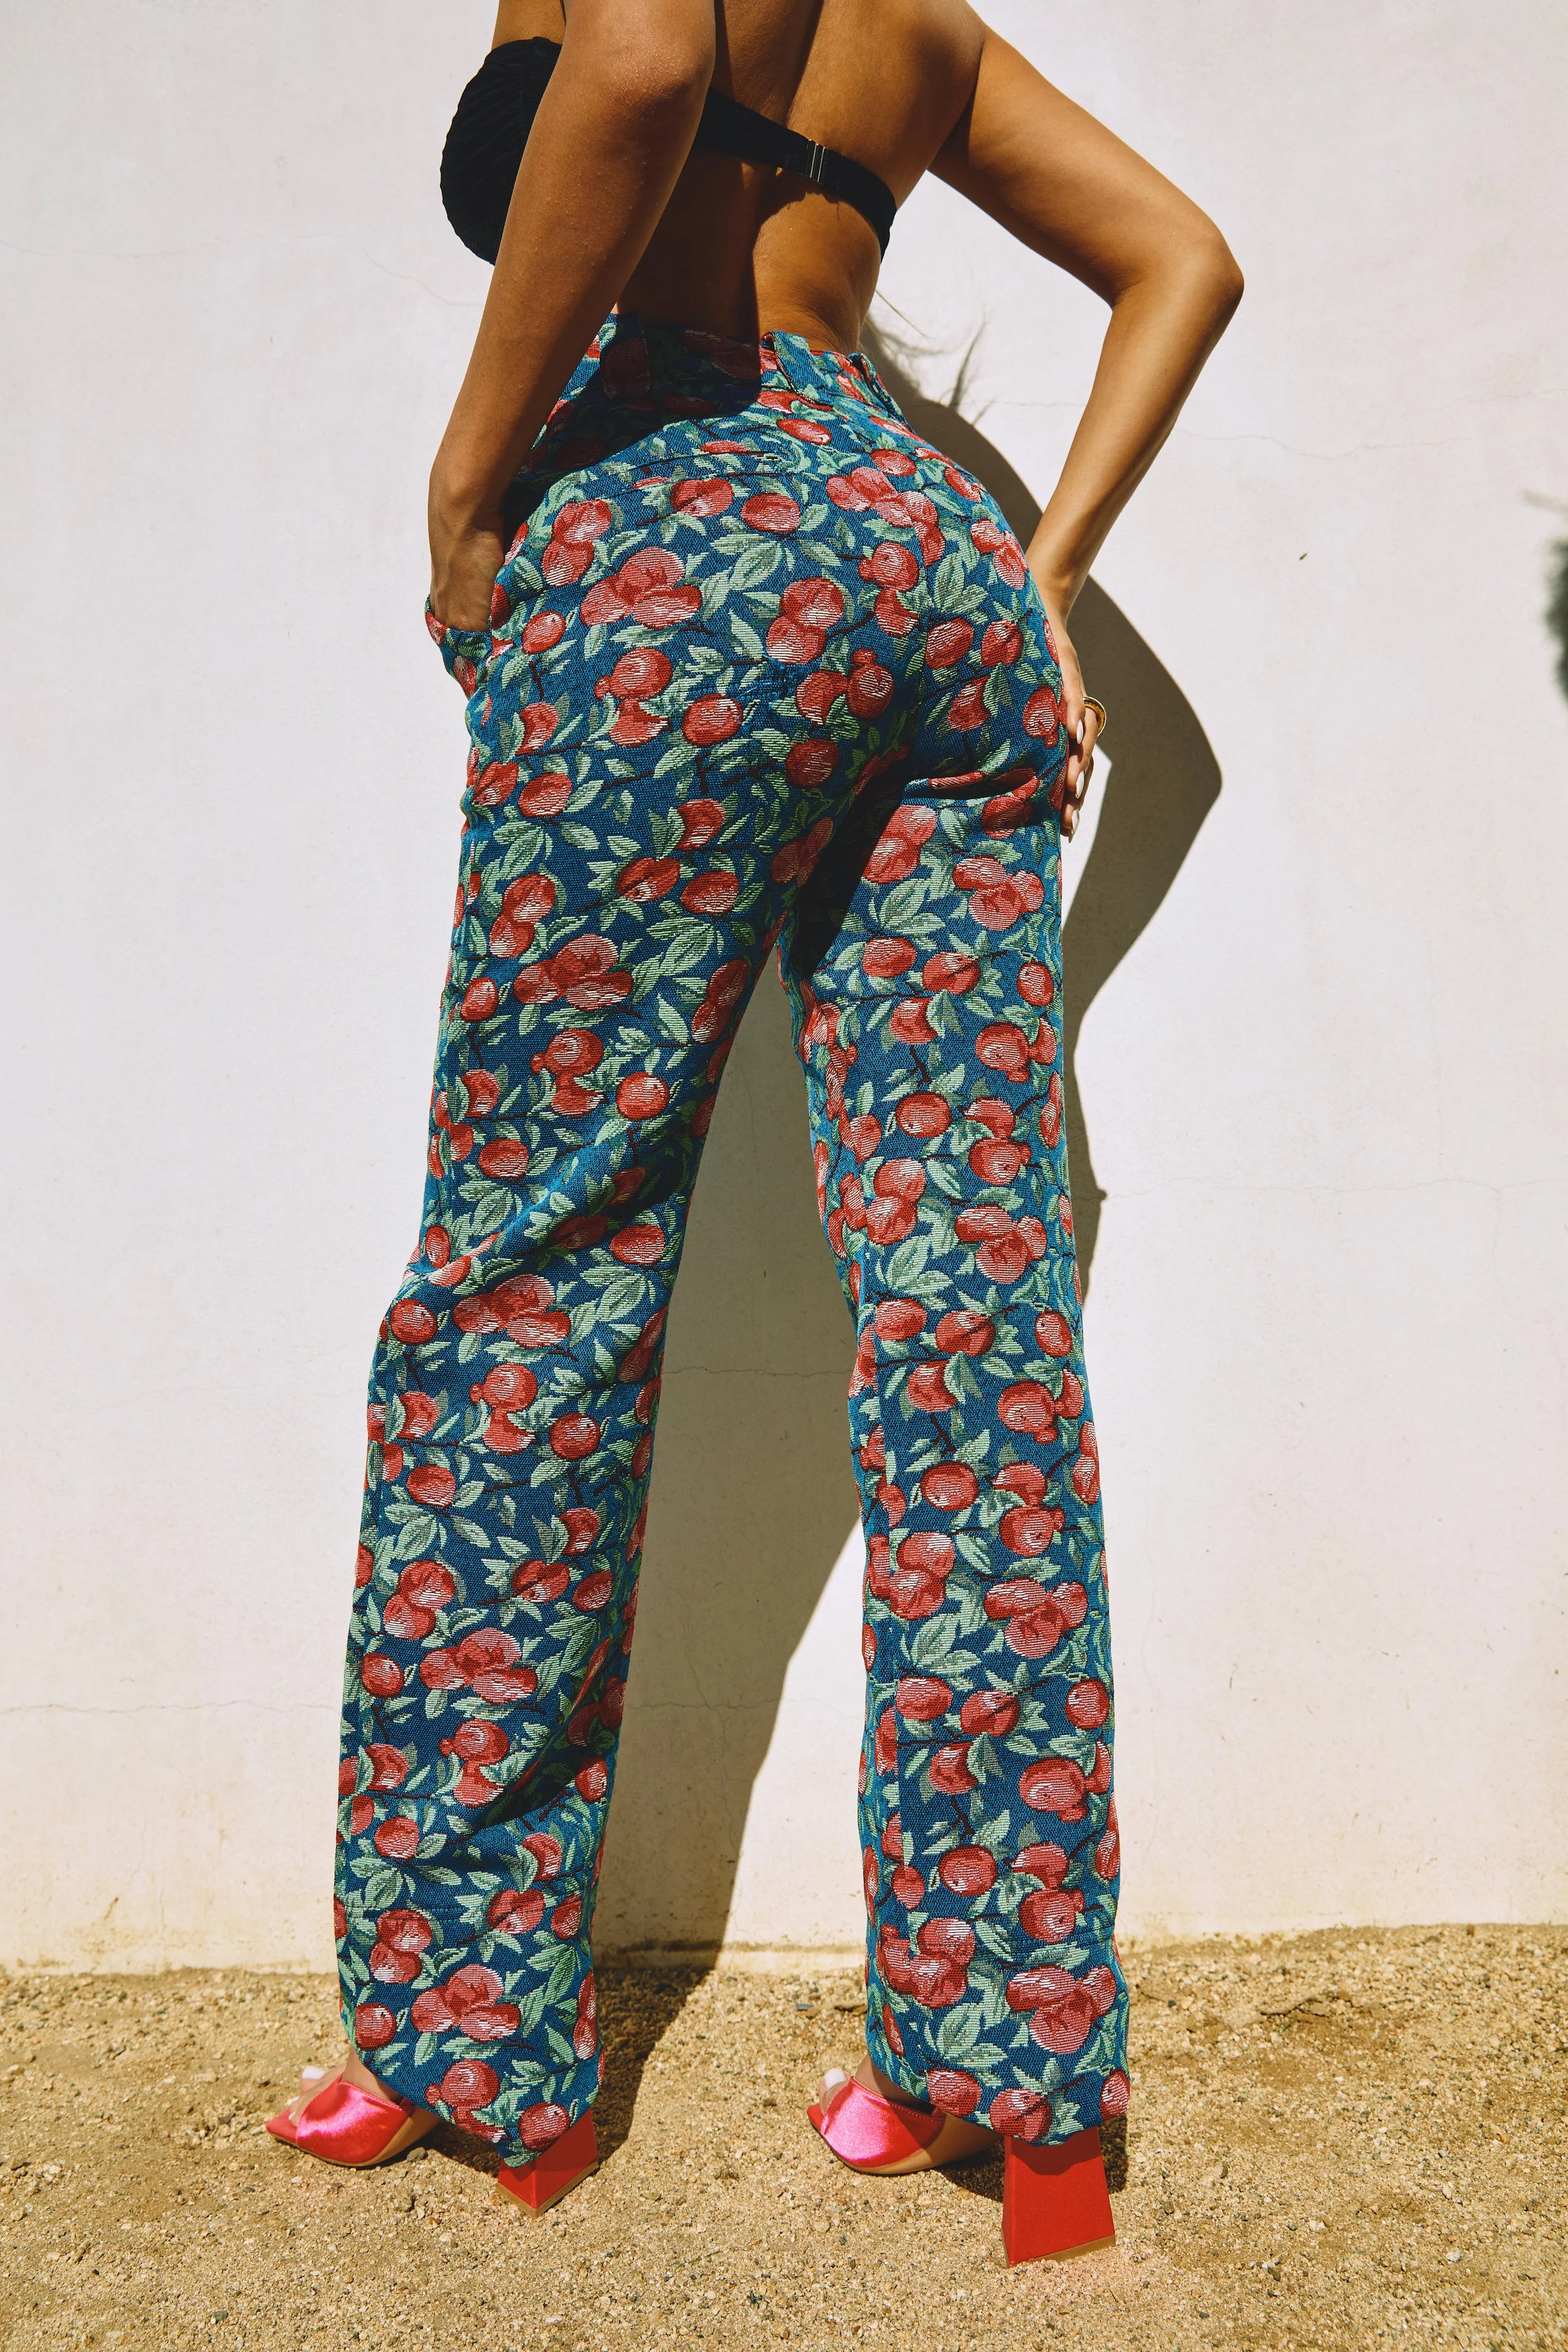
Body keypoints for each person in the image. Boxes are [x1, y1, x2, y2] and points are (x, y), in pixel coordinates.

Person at [267, 0, 1241, 2266]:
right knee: (969, 1325)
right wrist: (1042, 566)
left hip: (674, 533)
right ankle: (1015, 2081)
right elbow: (1181, 257)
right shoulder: (921, 25)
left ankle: (475, 2051)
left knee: (537, 1277)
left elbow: (618, 75)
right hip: (923, 571)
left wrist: (467, 478)